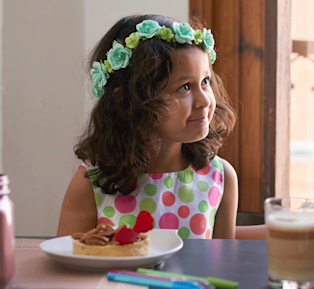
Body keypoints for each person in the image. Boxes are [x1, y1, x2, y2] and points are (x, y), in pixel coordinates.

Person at [57, 14, 238, 240]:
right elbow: (67, 262)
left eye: (205, 81)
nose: (204, 101)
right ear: (127, 100)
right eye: (184, 87)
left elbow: (221, 264)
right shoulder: (91, 184)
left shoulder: (220, 178)